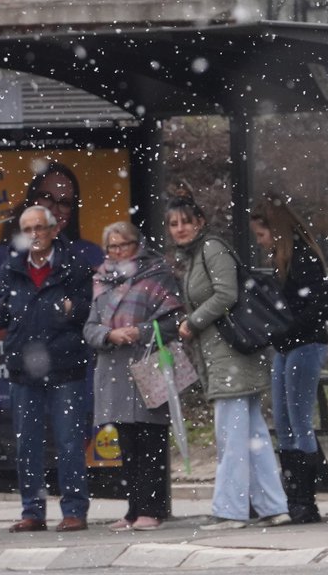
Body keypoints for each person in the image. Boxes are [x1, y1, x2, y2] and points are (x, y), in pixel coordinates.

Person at [166, 194, 290, 531]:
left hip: (229, 354)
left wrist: (192, 322)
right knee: (253, 435)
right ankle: (273, 506)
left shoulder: (211, 248)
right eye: (174, 223)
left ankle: (230, 510)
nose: (180, 228)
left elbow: (226, 294)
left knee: (231, 435)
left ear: (200, 221)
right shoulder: (197, 254)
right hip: (228, 353)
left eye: (186, 221)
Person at [0, 205, 94, 533]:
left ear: (53, 229)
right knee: (27, 443)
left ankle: (74, 510)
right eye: (27, 229)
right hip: (23, 368)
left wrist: (70, 312)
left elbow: (85, 309)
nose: (33, 235)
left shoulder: (73, 264)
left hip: (65, 365)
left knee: (70, 441)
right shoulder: (11, 264)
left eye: (39, 228)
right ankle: (32, 511)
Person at [83, 221, 183, 532]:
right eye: (111, 246)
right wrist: (108, 335)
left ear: (137, 245)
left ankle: (151, 509)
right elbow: (89, 327)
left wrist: (138, 331)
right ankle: (133, 509)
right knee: (125, 444)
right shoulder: (100, 280)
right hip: (113, 370)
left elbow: (173, 321)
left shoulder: (158, 275)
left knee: (149, 441)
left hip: (146, 365)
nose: (117, 251)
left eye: (123, 244)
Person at [250, 195, 328, 524]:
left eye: (261, 235)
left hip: (303, 343)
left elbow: (316, 306)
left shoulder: (300, 257)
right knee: (286, 421)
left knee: (297, 421)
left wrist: (283, 327)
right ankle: (298, 494)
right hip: (290, 344)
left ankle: (305, 497)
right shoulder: (288, 258)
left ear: (275, 230)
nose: (260, 242)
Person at [0, 161, 104, 294]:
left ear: (72, 210)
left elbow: (102, 306)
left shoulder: (90, 253)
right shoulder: (0, 256)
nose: (54, 209)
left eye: (64, 203)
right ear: (32, 200)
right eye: (47, 197)